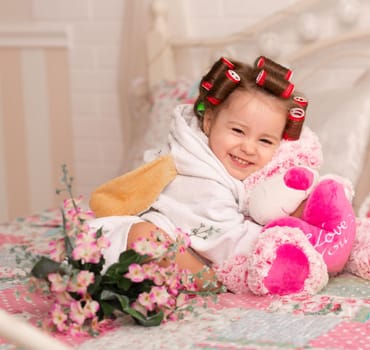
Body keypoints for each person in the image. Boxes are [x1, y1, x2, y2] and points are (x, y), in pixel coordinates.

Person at [89, 56, 308, 290]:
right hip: (139, 242)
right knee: (148, 238)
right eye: (237, 130)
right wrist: (286, 235)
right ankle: (209, 285)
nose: (248, 147)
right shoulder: (200, 177)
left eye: (265, 140)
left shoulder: (260, 171)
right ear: (209, 121)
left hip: (179, 250)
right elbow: (229, 241)